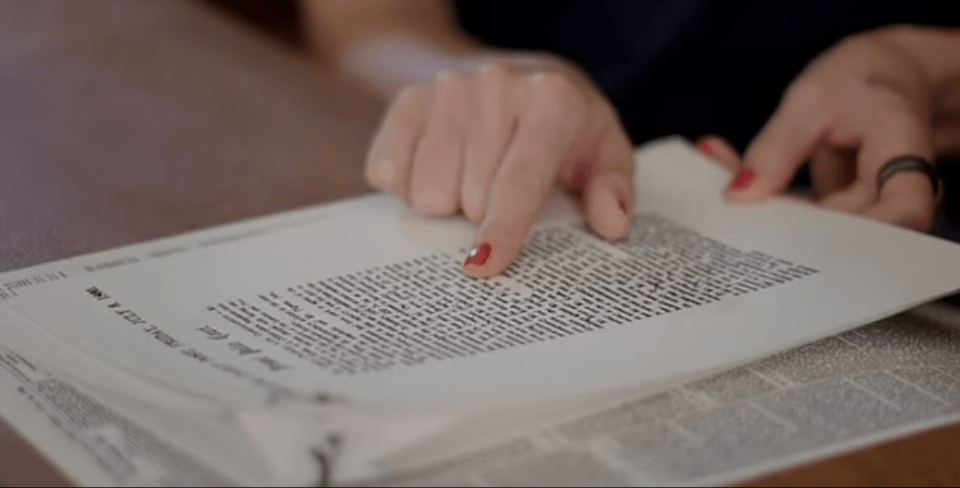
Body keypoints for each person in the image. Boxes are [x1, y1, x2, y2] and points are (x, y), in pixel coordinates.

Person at [301, 0, 960, 277]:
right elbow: (366, 21)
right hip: (569, 184)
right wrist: (489, 81)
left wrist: (924, 66)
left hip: (887, 240)